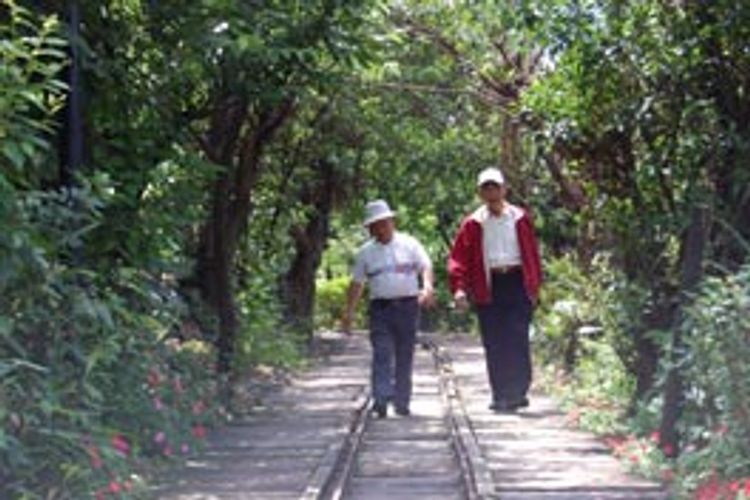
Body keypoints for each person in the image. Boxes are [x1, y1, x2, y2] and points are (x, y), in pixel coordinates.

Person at [448, 167, 542, 412]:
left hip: (517, 281)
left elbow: (532, 253)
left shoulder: (520, 218)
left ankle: (518, 391)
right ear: (480, 192)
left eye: (495, 187)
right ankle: (500, 393)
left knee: (518, 337)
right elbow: (459, 259)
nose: (491, 192)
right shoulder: (473, 224)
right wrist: (459, 288)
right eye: (486, 188)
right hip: (489, 285)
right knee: (495, 341)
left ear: (504, 189)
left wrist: (535, 285)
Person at [342, 199, 435, 418]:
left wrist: (427, 287)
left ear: (392, 222)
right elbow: (357, 283)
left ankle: (402, 401)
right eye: (375, 225)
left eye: (384, 223)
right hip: (380, 309)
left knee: (405, 354)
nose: (381, 229)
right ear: (370, 229)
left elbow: (425, 265)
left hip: (407, 306)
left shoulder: (409, 244)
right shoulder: (365, 253)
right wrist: (349, 312)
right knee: (382, 353)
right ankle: (381, 400)